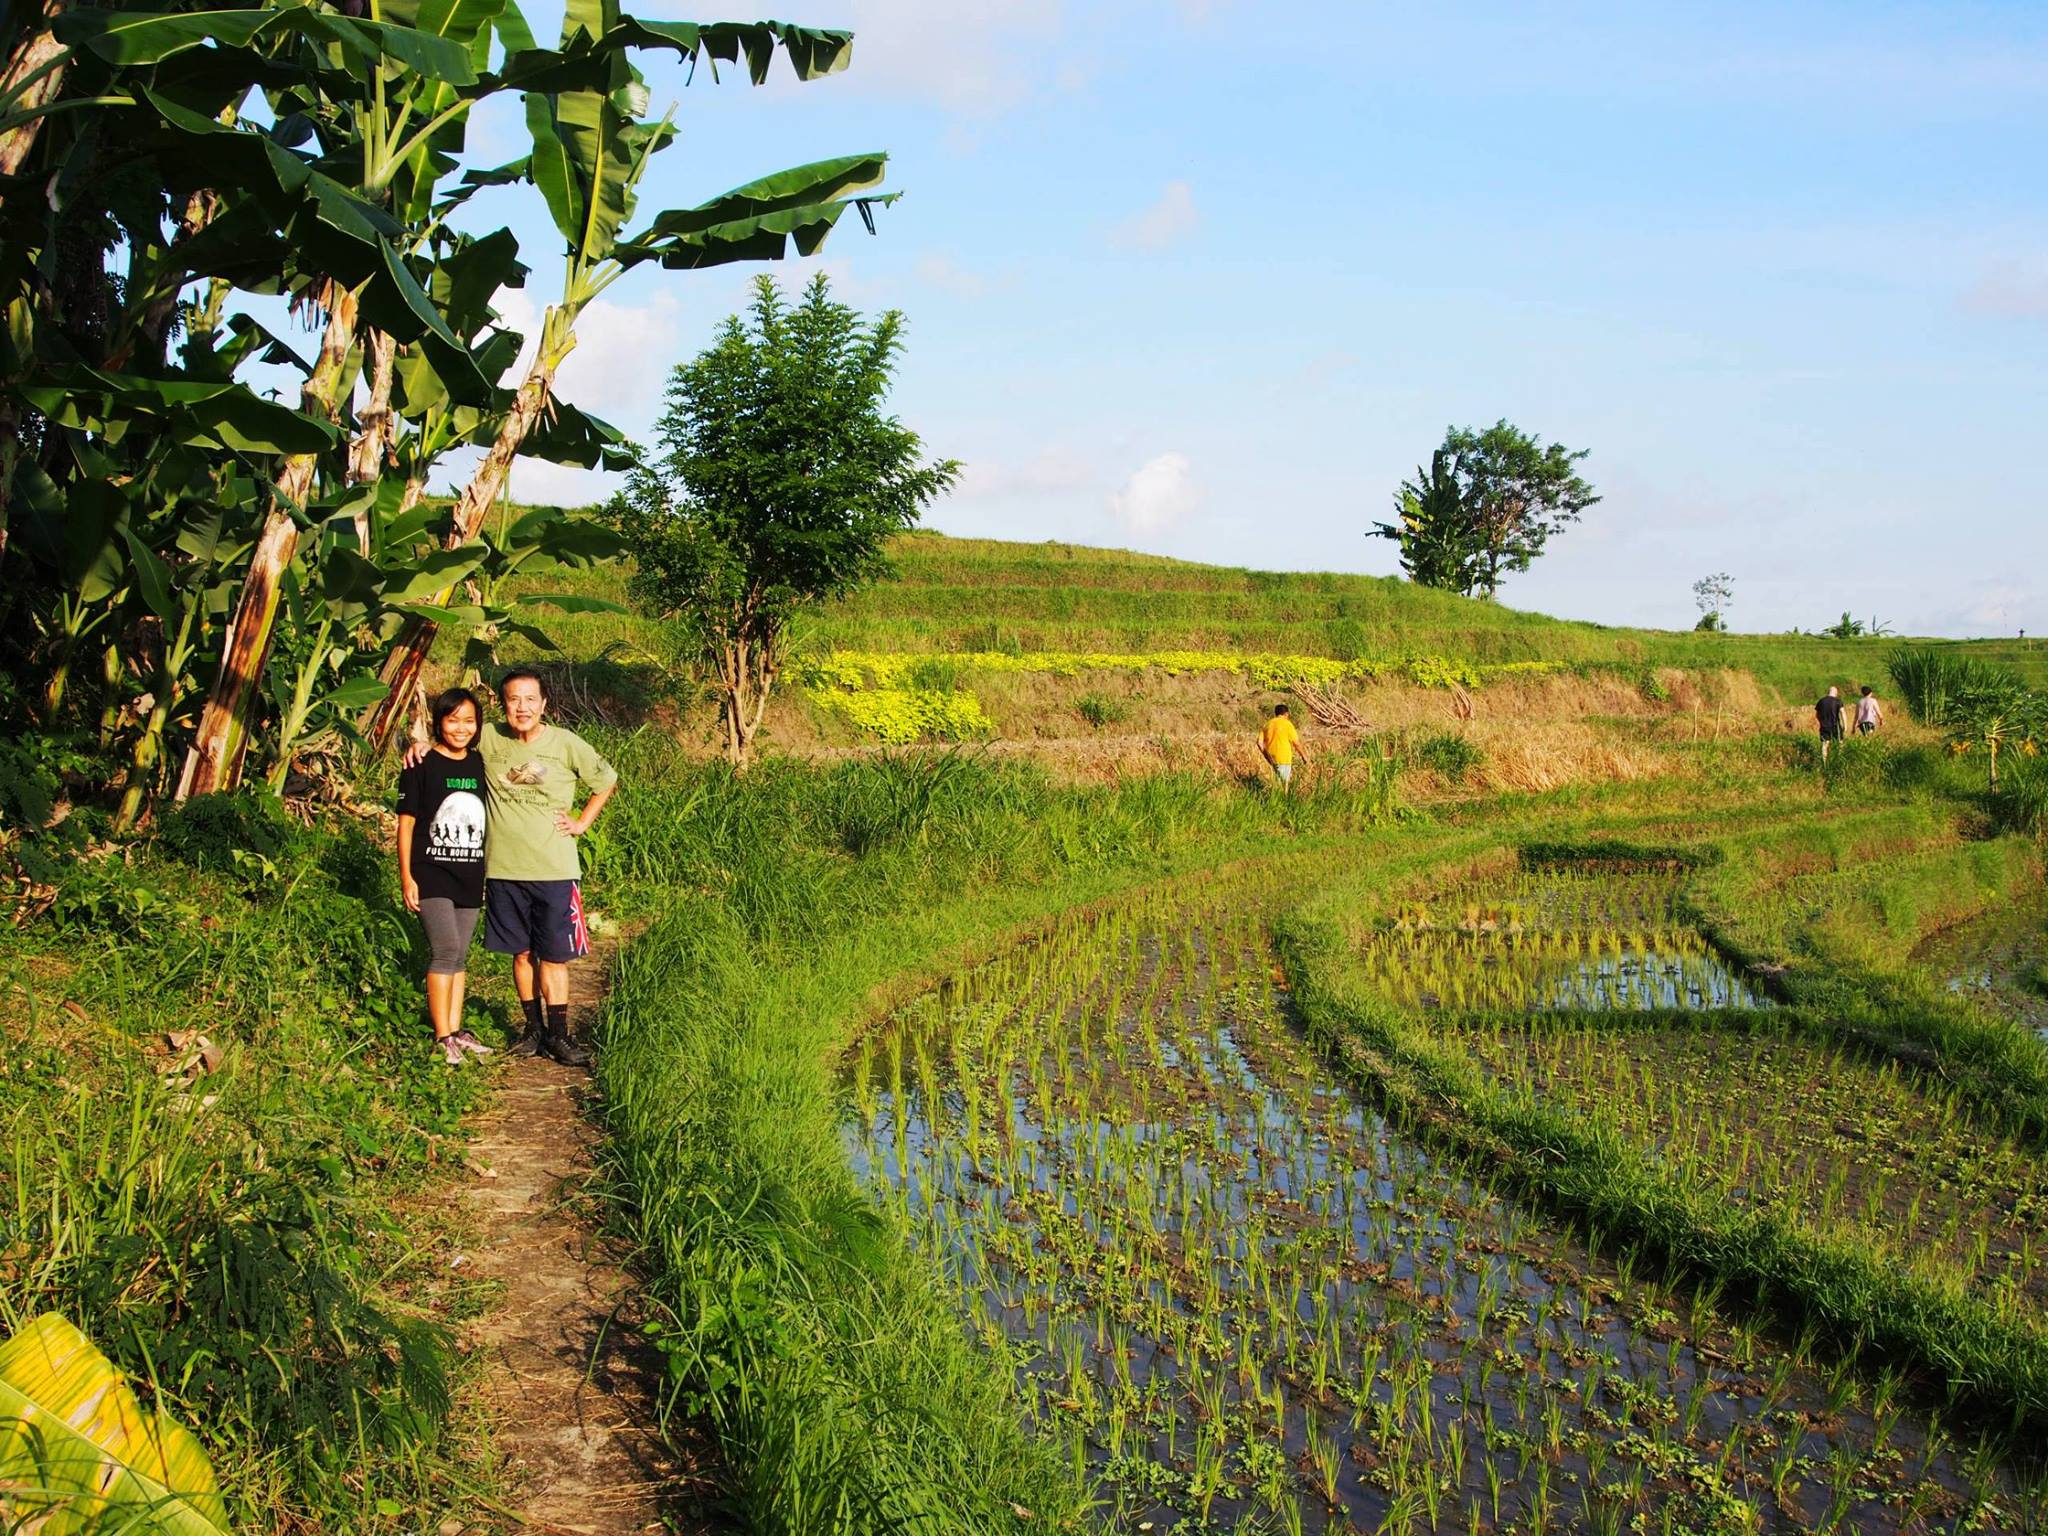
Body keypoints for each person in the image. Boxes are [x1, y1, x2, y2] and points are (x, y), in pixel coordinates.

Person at [406, 668, 618, 1066]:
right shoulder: (490, 737)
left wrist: (582, 823)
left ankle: (559, 1035)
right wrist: (420, 743)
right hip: (503, 869)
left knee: (553, 957)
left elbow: (605, 780)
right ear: (503, 705)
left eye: (529, 700)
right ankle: (532, 1029)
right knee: (521, 955)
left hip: (554, 868)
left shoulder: (566, 744)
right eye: (513, 700)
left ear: (543, 705)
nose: (522, 708)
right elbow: (455, 732)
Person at [397, 688, 492, 1066]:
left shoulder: (480, 764)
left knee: (461, 954)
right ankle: (442, 1037)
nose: (461, 728)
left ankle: (455, 1031)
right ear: (439, 722)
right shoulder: (421, 763)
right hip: (431, 872)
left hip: (469, 873)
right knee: (445, 950)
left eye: (469, 720)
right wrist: (406, 876)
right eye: (453, 720)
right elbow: (406, 824)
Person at [1259, 703, 1309, 788]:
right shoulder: (1287, 724)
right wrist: (1304, 756)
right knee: (1284, 784)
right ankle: (1284, 800)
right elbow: (1296, 743)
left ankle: (1276, 799)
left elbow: (1259, 743)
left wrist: (1266, 755)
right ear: (1286, 714)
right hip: (1284, 757)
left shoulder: (1268, 724)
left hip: (1272, 757)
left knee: (1277, 783)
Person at [1814, 685, 1845, 760]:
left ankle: (1824, 762)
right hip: (1835, 726)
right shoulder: (1838, 701)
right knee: (1840, 743)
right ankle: (1839, 759)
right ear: (1836, 692)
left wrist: (1821, 721)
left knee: (1825, 744)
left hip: (1824, 726)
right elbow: (1843, 713)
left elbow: (1817, 715)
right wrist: (1845, 725)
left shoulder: (1821, 701)